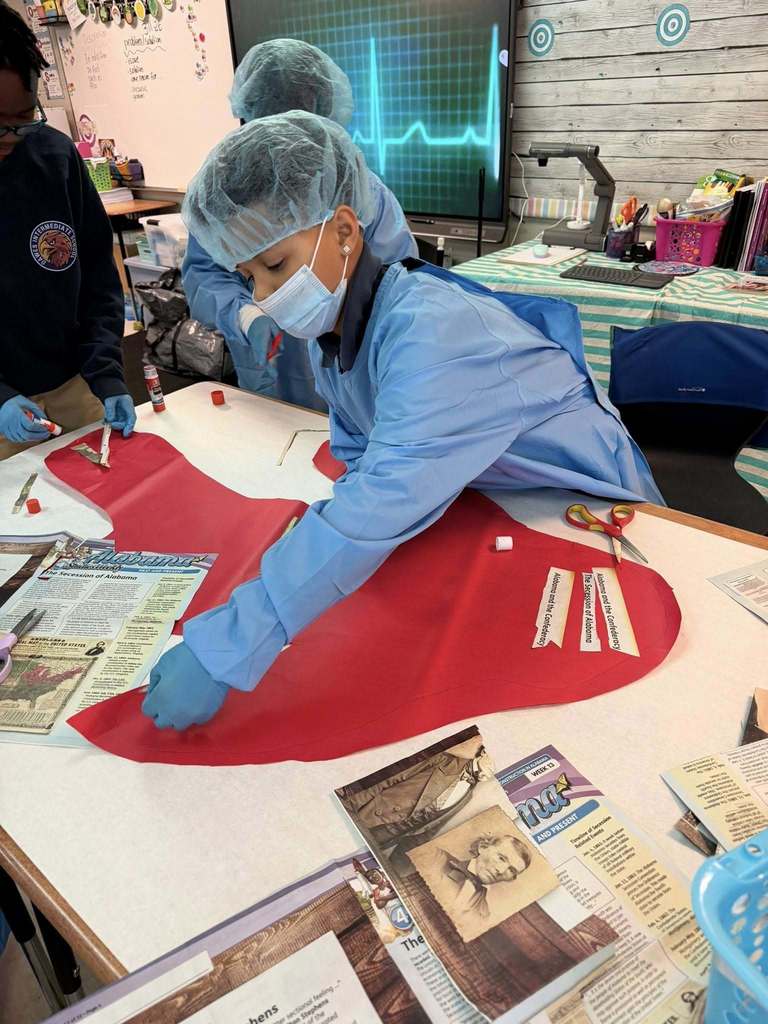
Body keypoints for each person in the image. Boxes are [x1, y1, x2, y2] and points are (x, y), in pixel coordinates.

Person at [142, 111, 663, 731]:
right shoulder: (334, 328)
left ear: (342, 232)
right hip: (491, 499)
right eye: (248, 278)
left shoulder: (430, 329)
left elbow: (383, 495)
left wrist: (232, 642)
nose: (261, 299)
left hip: (586, 512)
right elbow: (362, 455)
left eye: (275, 267)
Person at [181, 38, 417, 411]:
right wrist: (247, 315)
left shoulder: (358, 191)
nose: (265, 291)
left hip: (355, 382)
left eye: (275, 263)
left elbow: (399, 291)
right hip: (268, 382)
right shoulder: (225, 194)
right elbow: (205, 275)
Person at [0, 1, 135, 461]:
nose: (10, 138)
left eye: (21, 119)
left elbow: (97, 277)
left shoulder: (54, 159)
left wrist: (106, 372)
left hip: (73, 387)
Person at [436, 833, 532, 919]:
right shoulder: (437, 859)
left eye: (511, 870)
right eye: (501, 858)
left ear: (511, 879)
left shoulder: (483, 913)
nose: (500, 870)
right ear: (483, 847)